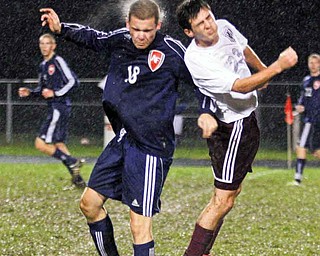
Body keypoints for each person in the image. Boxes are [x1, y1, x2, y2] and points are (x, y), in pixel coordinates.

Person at [39, 1, 212, 255]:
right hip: (123, 139)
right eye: (136, 29)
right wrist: (61, 28)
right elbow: (93, 38)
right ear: (128, 25)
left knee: (138, 224)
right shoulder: (121, 40)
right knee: (89, 204)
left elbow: (202, 83)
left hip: (152, 147)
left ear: (158, 26)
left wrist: (207, 113)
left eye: (148, 31)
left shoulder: (172, 52)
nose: (141, 36)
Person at [176, 0, 298, 255]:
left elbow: (242, 48)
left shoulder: (224, 26)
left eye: (209, 17)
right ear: (189, 32)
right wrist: (277, 67)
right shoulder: (196, 59)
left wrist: (262, 68)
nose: (210, 25)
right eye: (201, 23)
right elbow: (240, 86)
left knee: (230, 195)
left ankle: (202, 251)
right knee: (222, 200)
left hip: (246, 120)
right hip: (231, 126)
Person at [18, 33, 86, 188]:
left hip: (59, 107)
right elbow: (43, 89)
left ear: (53, 45)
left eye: (47, 43)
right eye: (41, 43)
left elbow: (73, 82)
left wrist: (56, 93)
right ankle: (79, 181)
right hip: (56, 107)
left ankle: (72, 161)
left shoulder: (57, 61)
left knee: (40, 144)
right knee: (60, 144)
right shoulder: (43, 66)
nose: (44, 46)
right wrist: (30, 92)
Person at [293, 53, 320, 185]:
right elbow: (302, 99)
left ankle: (298, 177)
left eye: (316, 62)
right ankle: (297, 177)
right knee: (307, 148)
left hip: (316, 119)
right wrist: (299, 106)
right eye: (311, 63)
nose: (313, 65)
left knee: (307, 148)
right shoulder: (306, 80)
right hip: (309, 119)